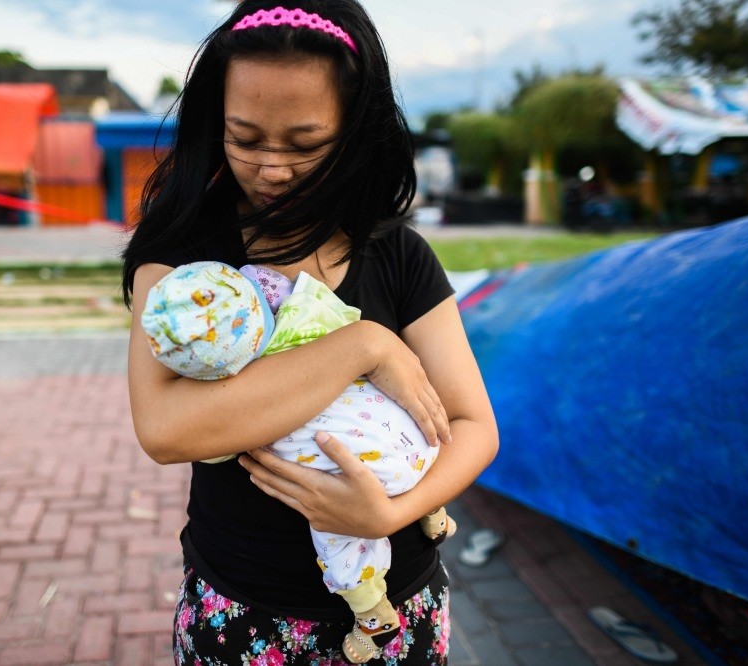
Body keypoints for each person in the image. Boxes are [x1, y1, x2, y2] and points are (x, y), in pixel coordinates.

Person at [122, 2, 498, 663]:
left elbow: (473, 427)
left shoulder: (398, 256)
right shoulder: (183, 257)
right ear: (215, 125)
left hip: (401, 609)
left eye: (303, 144)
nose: (271, 169)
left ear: (357, 130)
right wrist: (363, 345)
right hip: (241, 614)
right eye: (245, 139)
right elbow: (165, 429)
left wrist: (383, 516)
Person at [141, 260, 456, 659]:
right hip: (418, 448)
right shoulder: (301, 310)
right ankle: (434, 512)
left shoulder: (243, 392)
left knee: (333, 521)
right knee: (397, 427)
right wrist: (365, 345)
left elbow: (203, 443)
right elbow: (162, 437)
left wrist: (384, 518)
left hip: (369, 490)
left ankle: (372, 613)